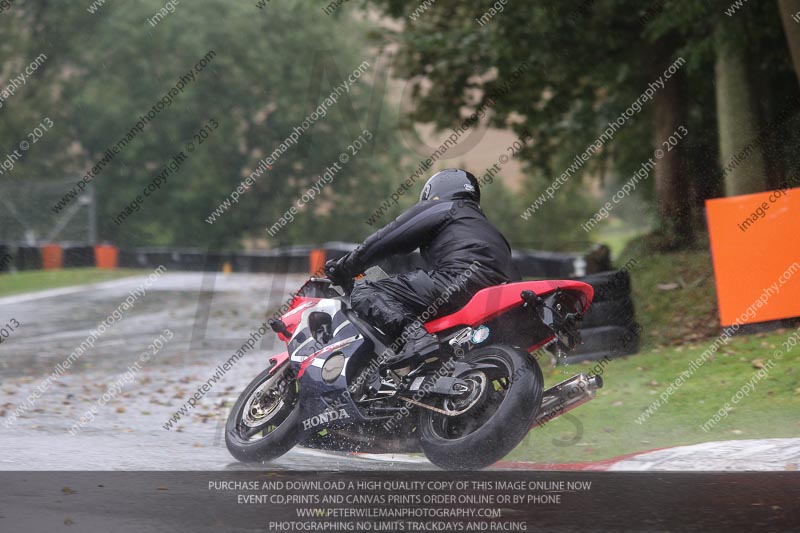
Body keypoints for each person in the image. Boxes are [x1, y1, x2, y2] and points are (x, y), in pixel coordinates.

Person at [325, 168, 519, 369]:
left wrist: (346, 267)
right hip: (499, 292)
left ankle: (415, 339)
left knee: (365, 292)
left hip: (458, 281)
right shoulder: (488, 228)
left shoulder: (444, 207)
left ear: (436, 192)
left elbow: (387, 238)